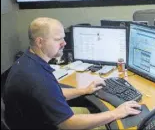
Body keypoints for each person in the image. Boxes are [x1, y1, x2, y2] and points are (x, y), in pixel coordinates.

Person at [3, 17, 141, 129]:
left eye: (63, 38)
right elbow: (68, 124)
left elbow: (51, 94)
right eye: (58, 39)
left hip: (36, 120)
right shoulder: (37, 78)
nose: (64, 43)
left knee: (96, 111)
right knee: (115, 125)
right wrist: (116, 113)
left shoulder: (29, 61)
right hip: (55, 125)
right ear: (40, 42)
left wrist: (84, 90)